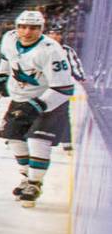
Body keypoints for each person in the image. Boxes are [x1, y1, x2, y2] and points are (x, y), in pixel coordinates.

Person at [0, 11, 74, 207]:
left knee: (38, 141)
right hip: (21, 99)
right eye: (23, 27)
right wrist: (2, 76)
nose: (27, 31)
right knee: (13, 138)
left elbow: (64, 88)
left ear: (41, 29)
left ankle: (35, 183)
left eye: (33, 28)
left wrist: (39, 104)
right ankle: (27, 177)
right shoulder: (10, 38)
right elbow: (6, 57)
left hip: (50, 103)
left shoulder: (51, 50)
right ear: (16, 27)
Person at [46, 23, 84, 152]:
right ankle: (22, 137)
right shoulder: (39, 48)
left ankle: (66, 141)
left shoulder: (67, 51)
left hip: (60, 88)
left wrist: (81, 78)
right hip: (40, 87)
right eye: (52, 33)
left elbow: (75, 66)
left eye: (57, 34)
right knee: (32, 111)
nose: (55, 36)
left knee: (62, 115)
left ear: (61, 36)